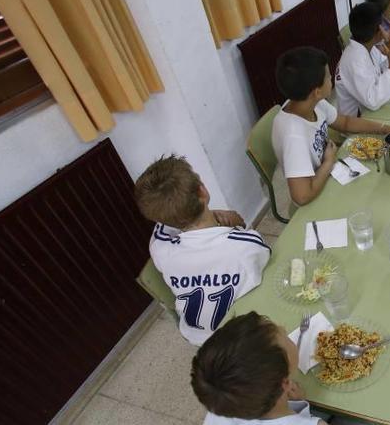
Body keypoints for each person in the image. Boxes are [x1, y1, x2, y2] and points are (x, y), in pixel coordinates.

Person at [134, 156, 270, 346]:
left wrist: (214, 217)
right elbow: (267, 260)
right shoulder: (244, 245)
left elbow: (171, 221)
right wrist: (237, 223)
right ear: (203, 191)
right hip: (245, 338)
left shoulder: (159, 247)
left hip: (200, 340)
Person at [273, 47, 390, 206]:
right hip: (315, 198)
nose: (331, 77)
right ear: (317, 91)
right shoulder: (294, 135)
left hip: (328, 177)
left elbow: (345, 122)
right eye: (328, 76)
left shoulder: (308, 102)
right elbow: (302, 196)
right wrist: (328, 161)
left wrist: (387, 129)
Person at [191, 312, 328, 424]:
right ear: (285, 383)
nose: (282, 327)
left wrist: (298, 405)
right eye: (286, 338)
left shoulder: (222, 401)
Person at [335, 2, 390, 117]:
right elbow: (372, 100)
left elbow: (378, 73)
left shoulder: (368, 47)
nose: (387, 27)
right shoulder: (353, 59)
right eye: (384, 25)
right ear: (379, 30)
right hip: (357, 123)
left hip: (372, 111)